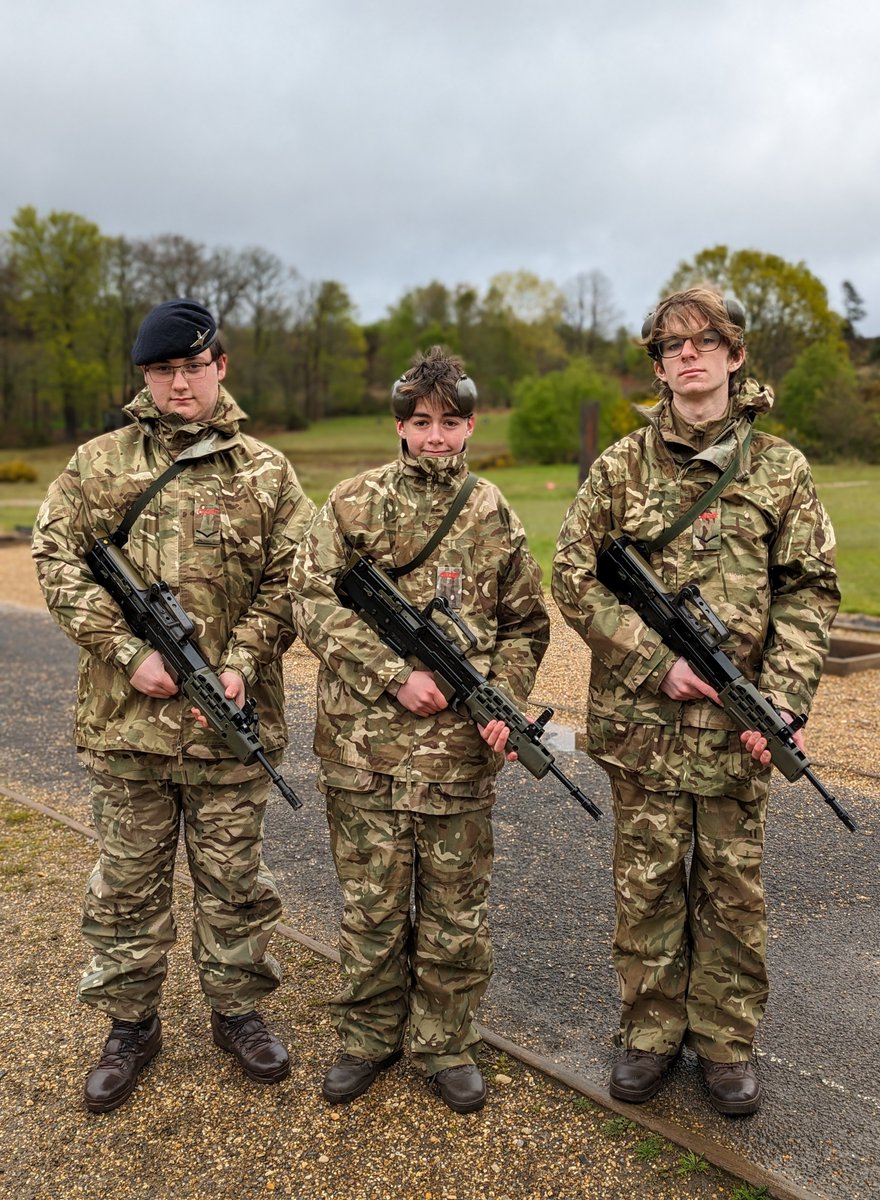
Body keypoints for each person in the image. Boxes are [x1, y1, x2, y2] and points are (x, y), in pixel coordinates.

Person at [551, 288, 839, 1116]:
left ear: (734, 354)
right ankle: (647, 1036)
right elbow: (572, 574)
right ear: (658, 365)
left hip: (737, 731)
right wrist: (650, 659)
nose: (686, 355)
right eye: (669, 346)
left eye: (703, 340)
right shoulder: (619, 467)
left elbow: (811, 590)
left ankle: (724, 1046)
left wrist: (783, 698)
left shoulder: (779, 468)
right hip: (644, 728)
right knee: (645, 887)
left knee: (731, 890)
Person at [33, 299, 315, 1113]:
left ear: (220, 366)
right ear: (145, 378)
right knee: (127, 884)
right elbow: (58, 566)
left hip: (231, 723)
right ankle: (131, 1024)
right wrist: (129, 655)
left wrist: (242, 662)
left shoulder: (266, 472)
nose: (179, 382)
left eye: (193, 367)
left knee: (233, 882)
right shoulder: (97, 463)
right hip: (127, 727)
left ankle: (238, 1012)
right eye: (164, 370)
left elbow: (292, 580)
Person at [292, 346, 549, 1113]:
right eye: (421, 422)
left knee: (453, 914)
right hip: (363, 750)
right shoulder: (350, 501)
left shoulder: (493, 511)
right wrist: (392, 673)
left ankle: (443, 1041)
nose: (436, 437)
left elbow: (526, 624)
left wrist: (501, 701)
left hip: (459, 757)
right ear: (399, 425)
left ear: (472, 426)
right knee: (371, 906)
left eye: (451, 423)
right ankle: (367, 1035)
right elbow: (311, 603)